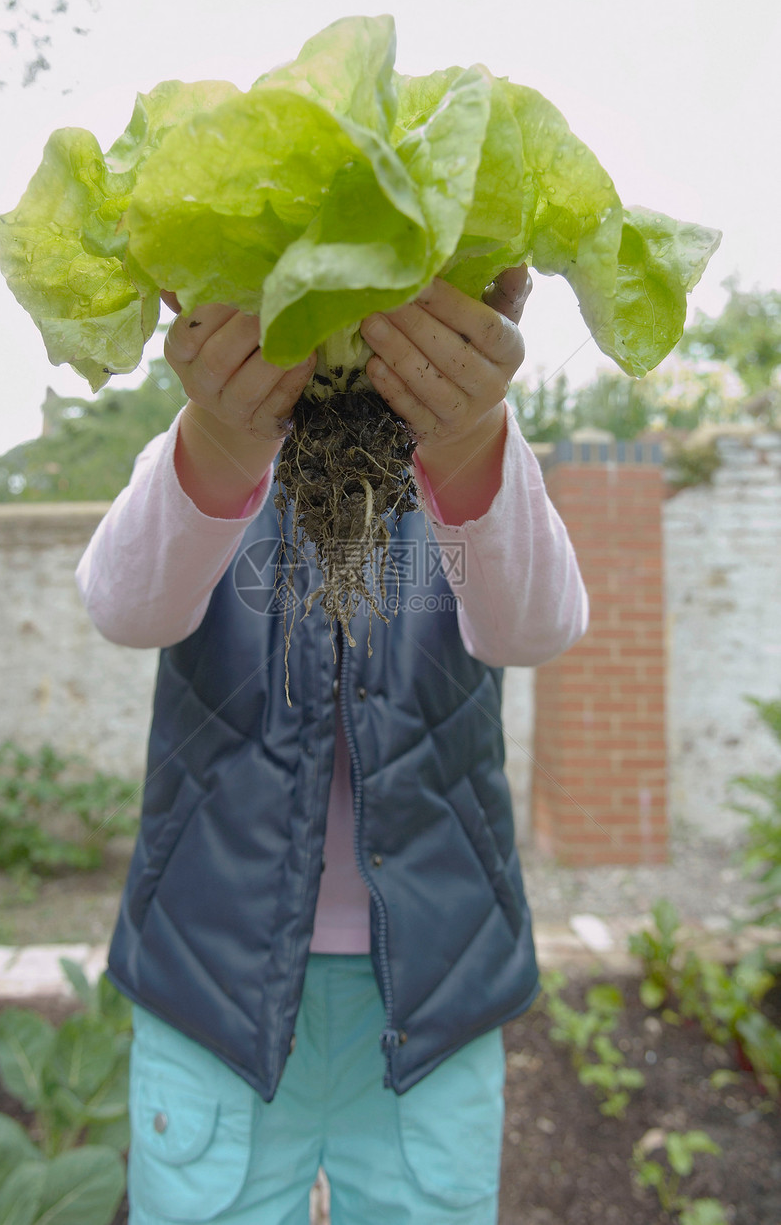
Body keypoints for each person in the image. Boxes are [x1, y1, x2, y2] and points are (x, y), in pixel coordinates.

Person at [76, 267, 588, 1224]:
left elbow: (536, 627)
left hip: (433, 995)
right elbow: (123, 603)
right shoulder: (205, 451)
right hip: (212, 985)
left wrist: (472, 436)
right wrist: (225, 438)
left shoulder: (463, 467)